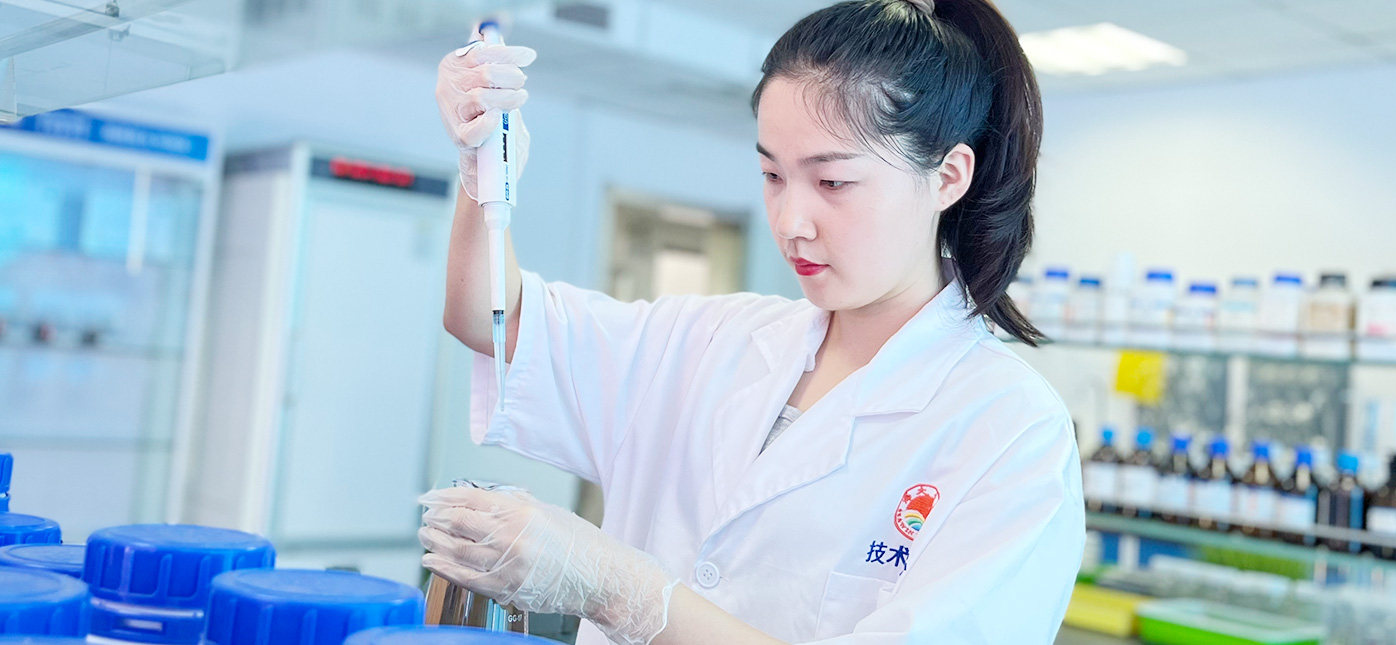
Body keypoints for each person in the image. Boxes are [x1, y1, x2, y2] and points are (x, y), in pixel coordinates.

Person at [420, 1, 1083, 643]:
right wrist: (485, 173)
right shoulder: (711, 339)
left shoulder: (1009, 430)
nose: (791, 222)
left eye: (832, 182)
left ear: (948, 177)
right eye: (772, 175)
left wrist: (618, 590)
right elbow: (490, 320)